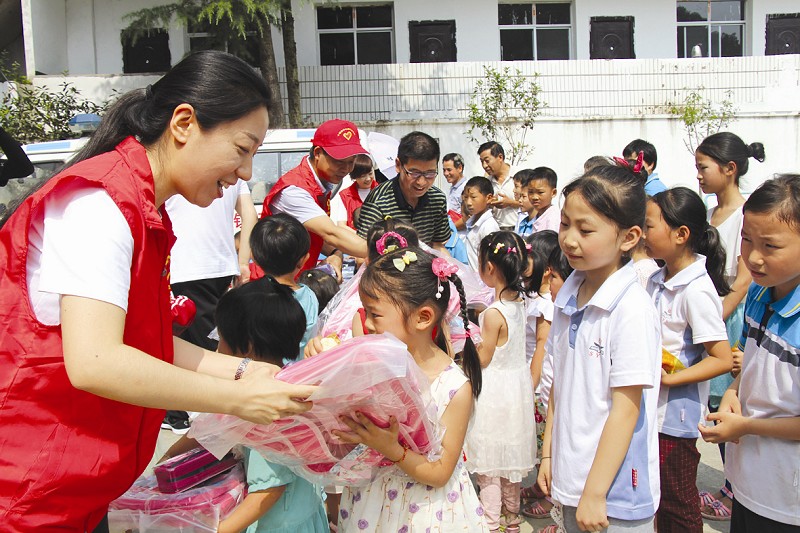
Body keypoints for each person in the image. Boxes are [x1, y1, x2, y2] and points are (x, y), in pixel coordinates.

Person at [0, 50, 316, 531]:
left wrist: (250, 374)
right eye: (242, 149)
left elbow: (149, 346)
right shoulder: (99, 206)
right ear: (184, 123)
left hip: (72, 482)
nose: (246, 173)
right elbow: (97, 361)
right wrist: (237, 400)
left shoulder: (144, 211)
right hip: (28, 483)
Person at [538, 165, 661, 533]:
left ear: (629, 237)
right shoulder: (568, 294)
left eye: (585, 229)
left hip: (613, 495)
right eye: (564, 224)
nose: (569, 240)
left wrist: (595, 491)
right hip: (573, 479)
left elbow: (626, 409)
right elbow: (559, 384)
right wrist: (548, 454)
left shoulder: (631, 308)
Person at [332, 248, 489, 531]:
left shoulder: (453, 388)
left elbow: (440, 473)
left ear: (422, 317)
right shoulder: (373, 363)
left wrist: (391, 449)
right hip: (372, 502)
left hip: (425, 512)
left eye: (374, 314)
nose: (365, 323)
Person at [699, 174, 800, 533]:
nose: (753, 257)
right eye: (746, 240)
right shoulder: (762, 293)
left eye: (770, 246)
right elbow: (751, 363)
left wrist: (746, 426)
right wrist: (732, 391)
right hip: (751, 483)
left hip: (787, 499)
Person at [643, 187, 734, 532]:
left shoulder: (696, 290)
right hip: (652, 409)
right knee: (657, 497)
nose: (643, 232)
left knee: (677, 503)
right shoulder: (656, 277)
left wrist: (670, 379)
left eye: (650, 225)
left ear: (681, 235)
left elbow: (721, 358)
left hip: (674, 418)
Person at [213, 278, 329, 533]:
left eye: (221, 339)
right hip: (301, 510)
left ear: (248, 348)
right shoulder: (288, 380)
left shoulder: (265, 405)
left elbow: (269, 489)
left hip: (277, 524)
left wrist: (218, 530)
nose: (217, 348)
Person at [695, 131, 764, 519]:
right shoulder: (709, 215)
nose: (700, 176)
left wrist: (717, 315)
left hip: (727, 318)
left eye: (704, 168)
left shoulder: (743, 217)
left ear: (730, 169)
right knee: (716, 404)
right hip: (711, 313)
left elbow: (742, 280)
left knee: (727, 402)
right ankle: (730, 484)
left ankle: (733, 489)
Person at [163, 175, 258, 434]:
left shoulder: (223, 168)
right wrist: (242, 260)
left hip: (197, 264)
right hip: (205, 264)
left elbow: (248, 216)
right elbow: (249, 216)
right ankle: (182, 413)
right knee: (203, 345)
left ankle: (181, 411)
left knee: (198, 344)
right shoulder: (231, 169)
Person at [465, 231, 536, 533]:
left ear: (489, 269)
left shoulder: (493, 315)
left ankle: (491, 522)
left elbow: (484, 359)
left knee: (490, 464)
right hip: (516, 390)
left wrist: (468, 344)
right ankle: (512, 518)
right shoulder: (518, 303)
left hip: (494, 391)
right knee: (510, 459)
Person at [261, 118, 369, 279]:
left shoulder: (320, 186)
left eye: (351, 162)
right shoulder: (294, 191)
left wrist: (335, 253)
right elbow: (331, 233)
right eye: (339, 161)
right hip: (272, 286)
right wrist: (384, 249)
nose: (346, 169)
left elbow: (317, 236)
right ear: (318, 153)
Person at [357, 131, 451, 254]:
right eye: (414, 173)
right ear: (398, 165)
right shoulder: (378, 201)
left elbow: (438, 245)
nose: (421, 182)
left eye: (429, 173)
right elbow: (364, 252)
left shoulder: (437, 199)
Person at [250, 214, 318, 363]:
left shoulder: (249, 297)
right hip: (298, 376)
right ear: (303, 260)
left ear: (254, 257)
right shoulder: (310, 297)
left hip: (258, 376)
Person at [478, 141, 519, 230]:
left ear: (500, 157)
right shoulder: (487, 182)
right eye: (482, 162)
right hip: (497, 231)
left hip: (518, 229)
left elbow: (532, 204)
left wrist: (510, 203)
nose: (484, 165)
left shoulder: (519, 175)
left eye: (487, 161)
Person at [329, 154, 377, 229]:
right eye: (363, 176)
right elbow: (341, 225)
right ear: (354, 176)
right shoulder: (345, 195)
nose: (368, 179)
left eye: (370, 173)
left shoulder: (382, 191)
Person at [464, 176, 500, 271]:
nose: (468, 203)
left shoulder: (489, 227)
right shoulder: (472, 222)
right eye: (466, 197)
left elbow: (492, 261)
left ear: (488, 198)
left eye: (473, 197)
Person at [526, 166, 560, 234]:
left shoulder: (553, 218)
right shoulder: (539, 215)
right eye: (530, 192)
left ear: (553, 193)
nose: (534, 197)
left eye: (540, 192)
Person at [443, 152, 468, 227]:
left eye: (449, 170)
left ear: (460, 168)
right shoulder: (453, 188)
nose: (446, 173)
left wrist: (450, 230)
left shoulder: (466, 188)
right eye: (444, 170)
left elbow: (468, 217)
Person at [514, 170, 537, 237]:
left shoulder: (539, 223)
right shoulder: (523, 223)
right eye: (520, 196)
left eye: (523, 196)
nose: (520, 200)